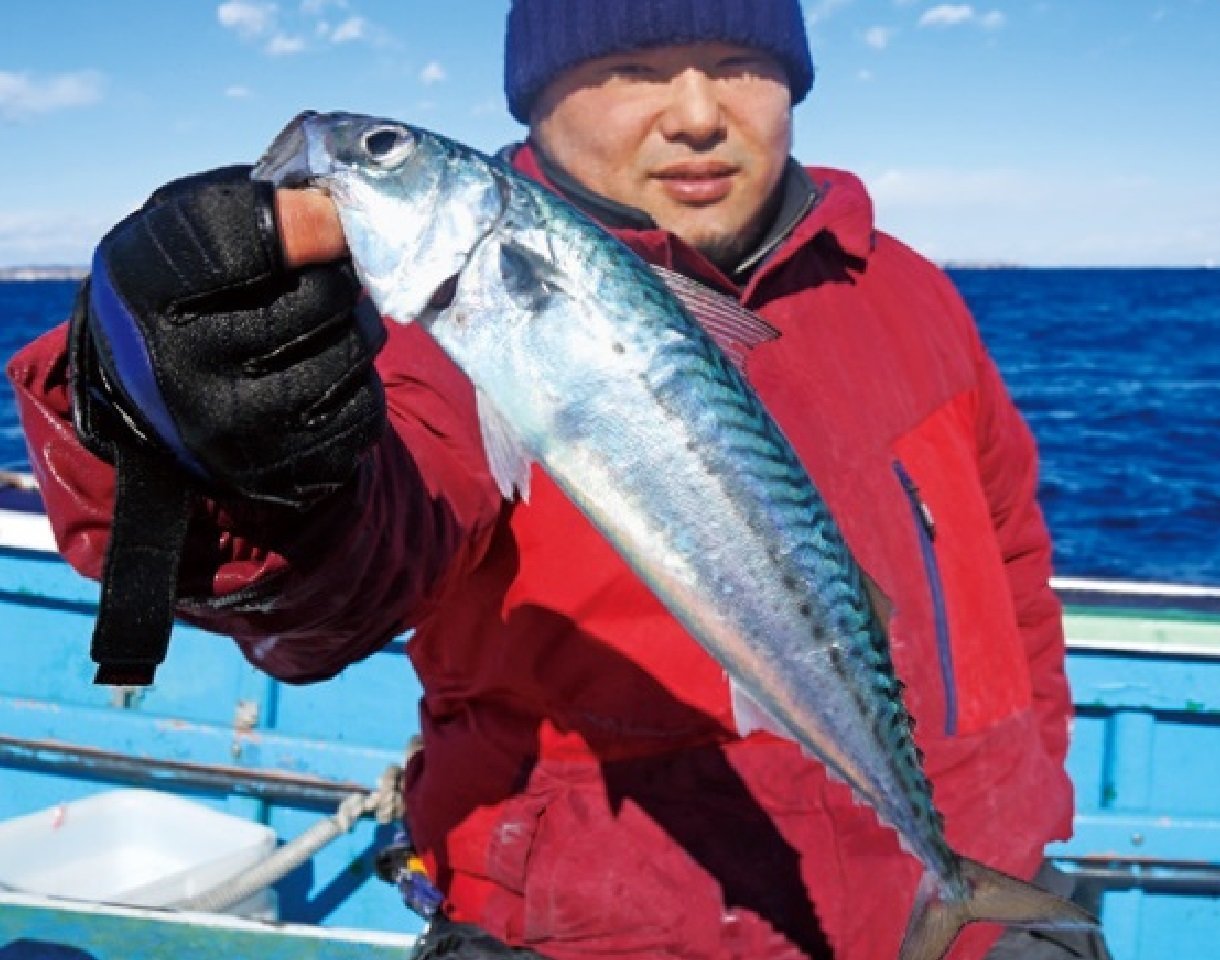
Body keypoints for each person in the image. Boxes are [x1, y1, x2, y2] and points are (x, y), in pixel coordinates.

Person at [6, 1, 1107, 958]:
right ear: (535, 102)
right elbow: (343, 573)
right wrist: (202, 440)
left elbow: (1010, 572)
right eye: (630, 67)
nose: (692, 112)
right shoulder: (437, 336)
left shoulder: (909, 293)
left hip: (981, 921)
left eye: (736, 61)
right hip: (594, 937)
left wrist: (1025, 835)